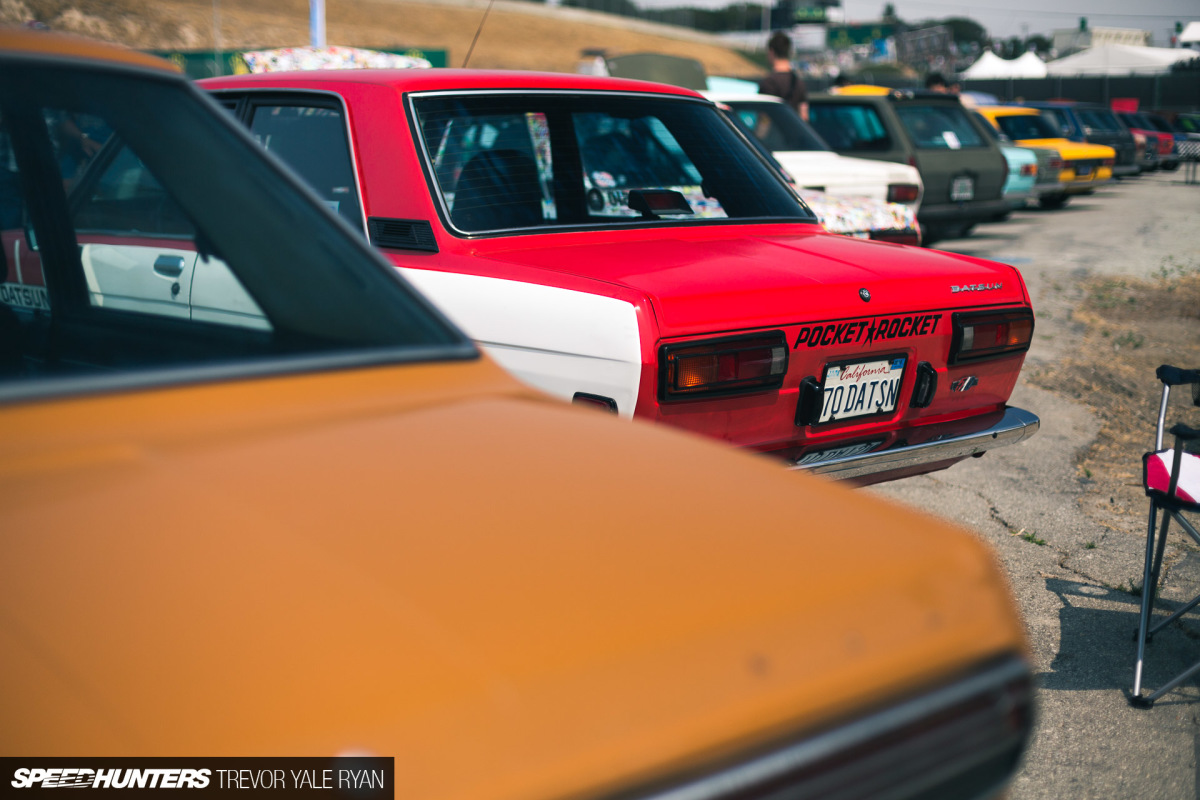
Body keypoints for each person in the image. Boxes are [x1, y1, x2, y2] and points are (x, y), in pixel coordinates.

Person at [758, 31, 808, 121]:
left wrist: (756, 134)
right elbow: (804, 116)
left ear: (771, 51)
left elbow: (764, 119)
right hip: (794, 133)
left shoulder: (769, 83)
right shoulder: (798, 82)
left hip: (775, 134)